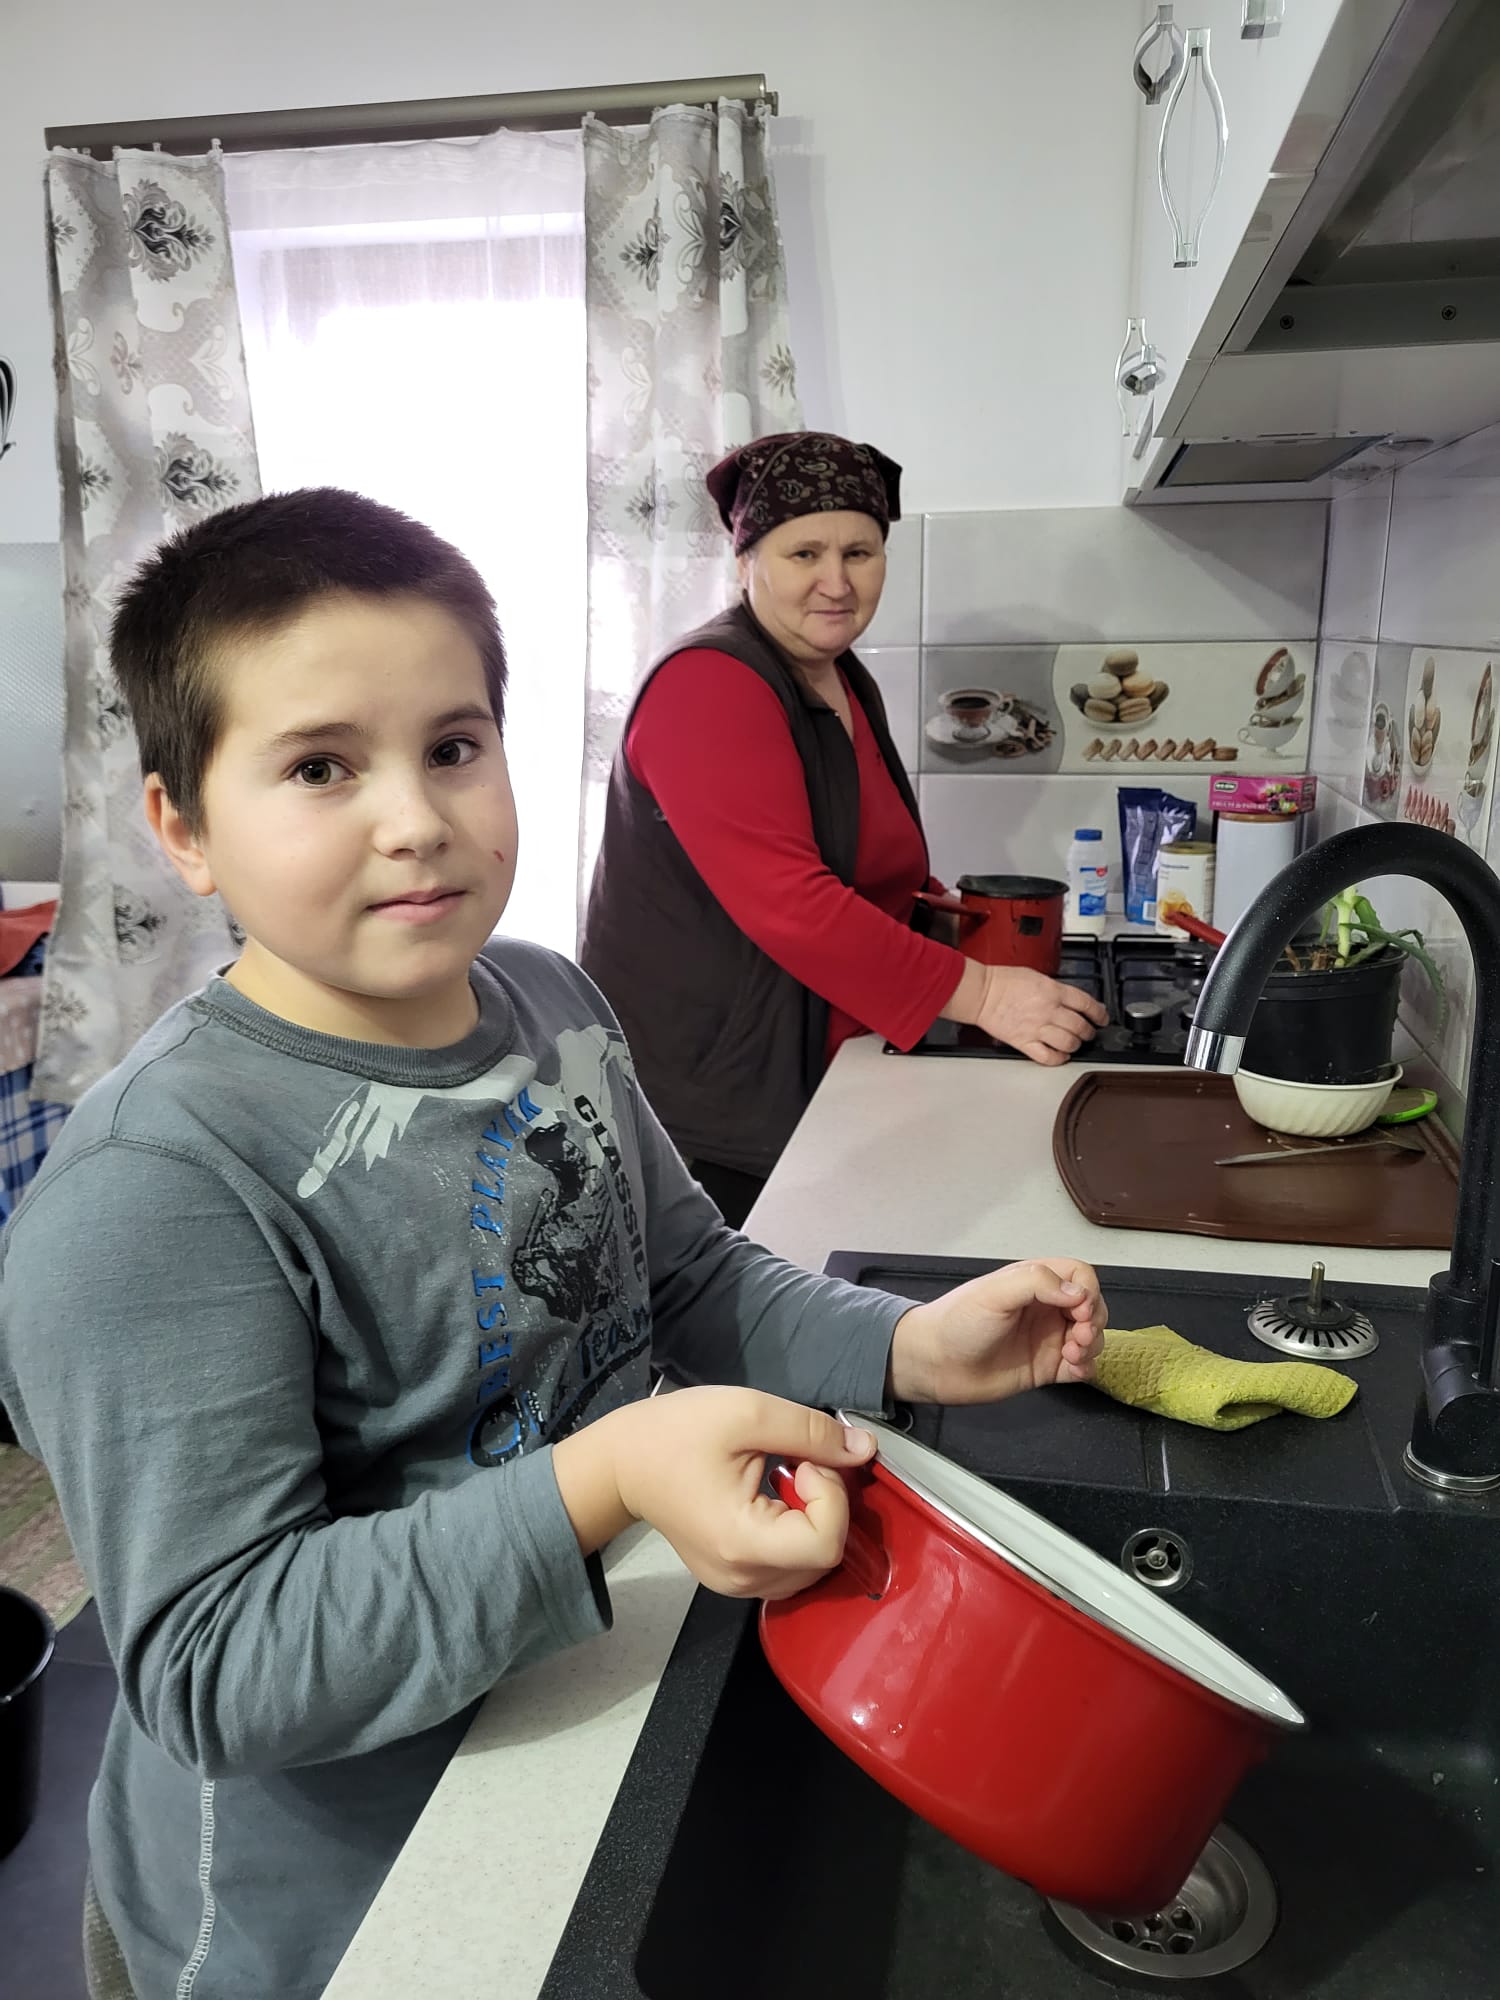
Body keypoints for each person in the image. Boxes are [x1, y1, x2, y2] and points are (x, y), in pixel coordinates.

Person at [0, 488, 1107, 2000]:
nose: (416, 816)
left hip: (572, 1711)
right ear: (183, 828)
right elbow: (218, 1667)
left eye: (454, 745)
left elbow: (689, 1279)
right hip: (319, 1908)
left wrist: (907, 1343)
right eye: (322, 766)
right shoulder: (160, 1187)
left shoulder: (550, 1004)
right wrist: (601, 1480)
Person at [581, 431, 1107, 1227]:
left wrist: (947, 919)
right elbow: (793, 902)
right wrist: (988, 992)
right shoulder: (708, 685)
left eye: (860, 551)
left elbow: (857, 861)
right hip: (706, 1111)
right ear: (745, 559)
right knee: (741, 1333)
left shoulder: (835, 677)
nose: (836, 581)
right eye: (804, 554)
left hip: (812, 1069)